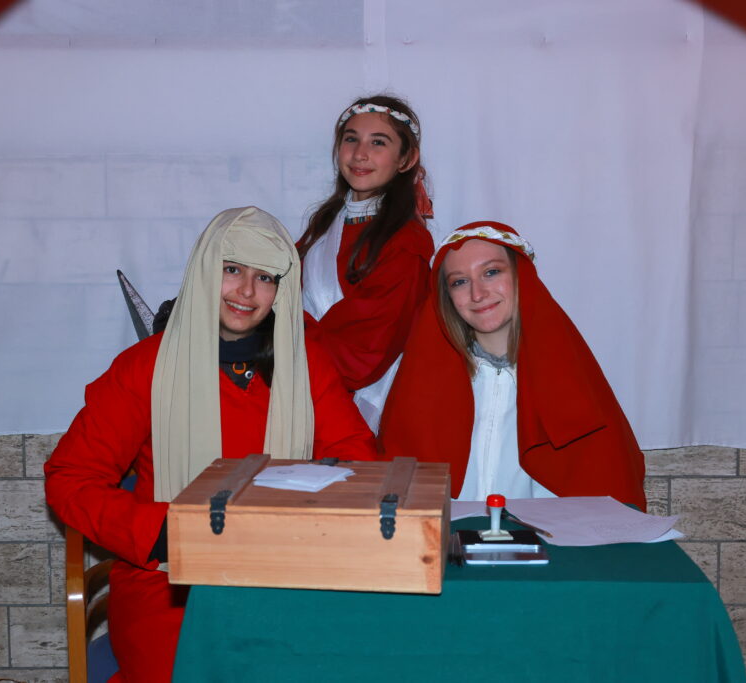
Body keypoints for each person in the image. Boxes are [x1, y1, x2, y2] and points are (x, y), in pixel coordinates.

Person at [45, 207, 377, 682]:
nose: (247, 292)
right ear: (204, 269)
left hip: (284, 571)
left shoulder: (307, 364)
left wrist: (305, 516)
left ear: (282, 290)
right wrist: (161, 531)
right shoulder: (144, 368)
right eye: (232, 269)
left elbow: (360, 464)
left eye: (265, 277)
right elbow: (70, 479)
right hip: (169, 579)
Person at [378, 222, 646, 510]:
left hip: (544, 536)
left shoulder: (571, 377)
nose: (477, 294)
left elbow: (609, 489)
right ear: (447, 297)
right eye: (459, 281)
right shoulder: (419, 383)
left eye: (491, 272)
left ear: (521, 277)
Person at [298, 94, 435, 431]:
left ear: (406, 159)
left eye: (378, 142)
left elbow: (365, 352)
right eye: (351, 139)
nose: (360, 153)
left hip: (370, 404)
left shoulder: (406, 243)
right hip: (307, 387)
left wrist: (279, 341)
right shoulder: (323, 226)